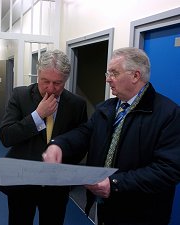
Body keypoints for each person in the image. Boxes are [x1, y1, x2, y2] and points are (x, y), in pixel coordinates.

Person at [43, 47, 180, 225]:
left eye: (114, 73)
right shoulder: (106, 108)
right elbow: (84, 133)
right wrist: (58, 144)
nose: (108, 79)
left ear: (135, 76)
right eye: (108, 73)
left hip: (142, 213)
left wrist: (114, 183)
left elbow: (168, 169)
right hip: (106, 207)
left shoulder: (168, 114)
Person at [0, 49, 88, 225]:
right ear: (38, 75)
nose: (51, 88)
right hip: (22, 181)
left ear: (66, 80)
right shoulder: (20, 95)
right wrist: (37, 116)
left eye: (57, 83)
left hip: (57, 184)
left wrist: (64, 164)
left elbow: (81, 143)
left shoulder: (77, 104)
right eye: (45, 81)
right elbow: (6, 136)